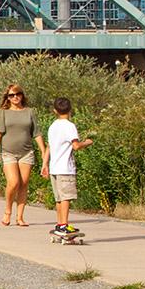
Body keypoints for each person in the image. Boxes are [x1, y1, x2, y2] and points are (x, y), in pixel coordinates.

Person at [0, 84, 48, 226]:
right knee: (13, 182)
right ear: (7, 98)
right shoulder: (2, 113)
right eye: (11, 95)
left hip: (26, 152)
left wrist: (43, 151)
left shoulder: (30, 112)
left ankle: (20, 217)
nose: (15, 97)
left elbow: (36, 133)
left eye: (17, 94)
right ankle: (8, 211)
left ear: (22, 95)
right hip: (8, 152)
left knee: (23, 184)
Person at [43, 97, 94, 238]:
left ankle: (60, 224)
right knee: (66, 198)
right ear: (70, 110)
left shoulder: (53, 126)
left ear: (55, 111)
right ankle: (64, 226)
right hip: (65, 168)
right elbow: (76, 146)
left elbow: (49, 146)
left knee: (59, 198)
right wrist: (87, 142)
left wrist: (44, 164)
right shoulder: (69, 126)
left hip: (54, 167)